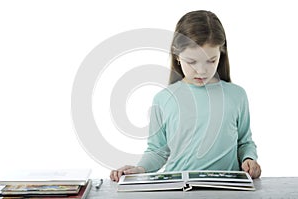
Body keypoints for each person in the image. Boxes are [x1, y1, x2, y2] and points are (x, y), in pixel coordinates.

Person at [110, 10, 261, 182]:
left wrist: (249, 159)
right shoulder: (163, 99)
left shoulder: (237, 95)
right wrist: (139, 169)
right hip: (177, 187)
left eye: (211, 60)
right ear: (177, 55)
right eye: (192, 62)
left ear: (222, 52)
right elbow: (158, 151)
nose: (202, 70)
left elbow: (244, 142)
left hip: (227, 188)